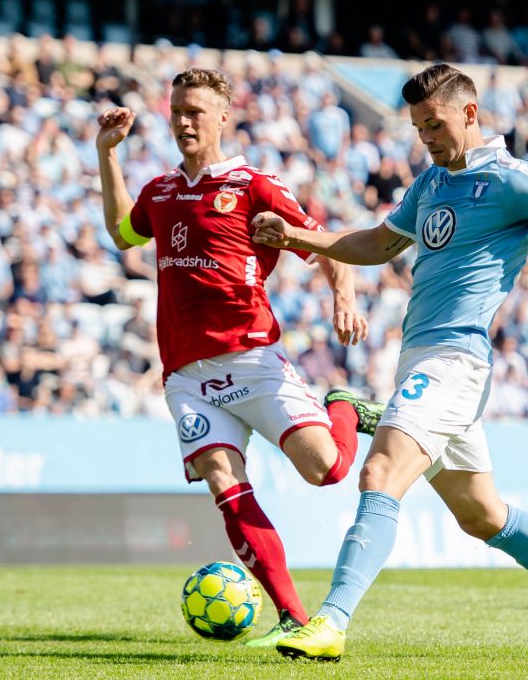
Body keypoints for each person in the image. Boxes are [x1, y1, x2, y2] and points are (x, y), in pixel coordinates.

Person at [252, 63, 528, 662]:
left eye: (434, 125)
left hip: (455, 361)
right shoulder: (430, 183)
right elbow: (377, 244)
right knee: (484, 517)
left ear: (469, 114)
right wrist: (297, 237)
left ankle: (331, 622)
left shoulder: (511, 180)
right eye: (418, 128)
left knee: (380, 472)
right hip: (422, 357)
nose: (427, 139)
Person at [96, 68, 381, 647]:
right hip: (186, 377)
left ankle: (342, 406)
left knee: (327, 471)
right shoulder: (159, 190)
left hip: (253, 360)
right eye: (176, 110)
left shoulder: (253, 185)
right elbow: (123, 233)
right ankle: (295, 620)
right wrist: (108, 156)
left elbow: (326, 244)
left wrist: (342, 294)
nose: (183, 121)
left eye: (195, 111)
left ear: (223, 117)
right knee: (225, 486)